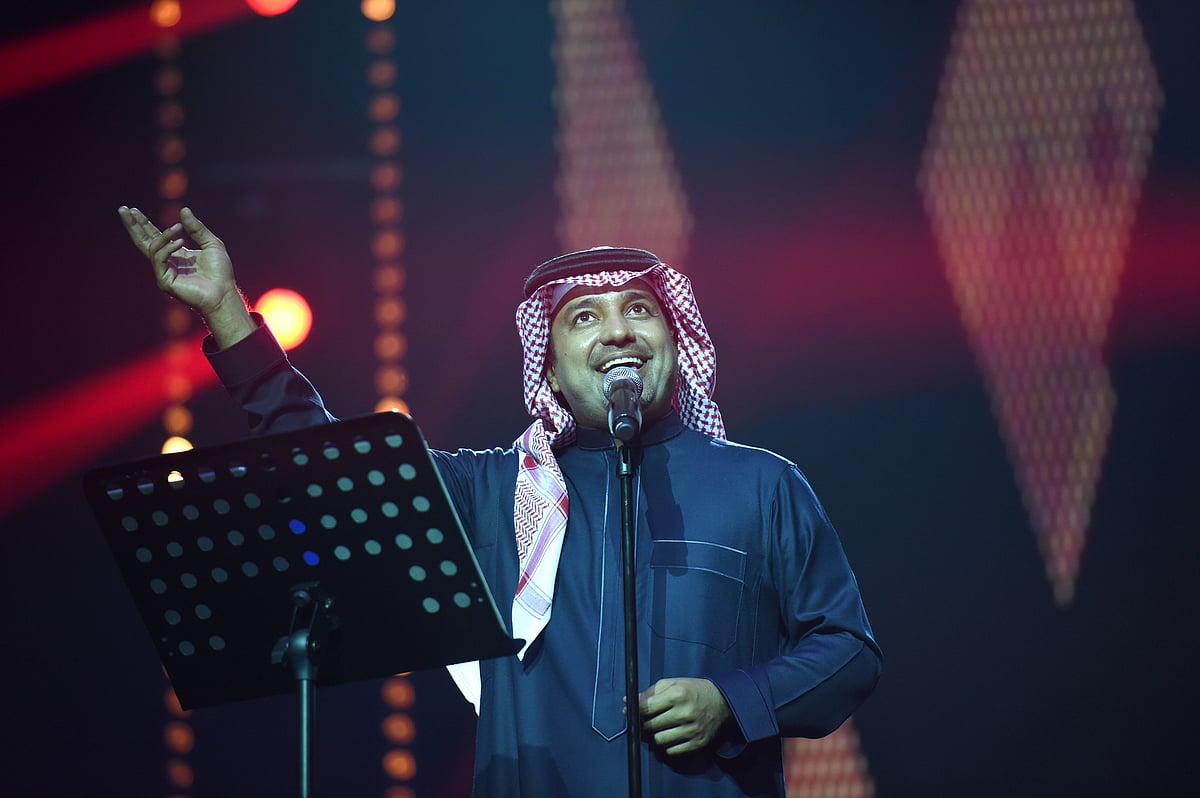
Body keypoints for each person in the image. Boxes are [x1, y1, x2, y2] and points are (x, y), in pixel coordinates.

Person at [118, 205, 881, 797]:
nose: (618, 332)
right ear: (548, 371)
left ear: (677, 344)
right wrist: (228, 315)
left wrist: (732, 700)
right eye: (585, 317)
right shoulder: (493, 493)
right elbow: (328, 466)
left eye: (640, 310)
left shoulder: (761, 484)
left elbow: (847, 650)